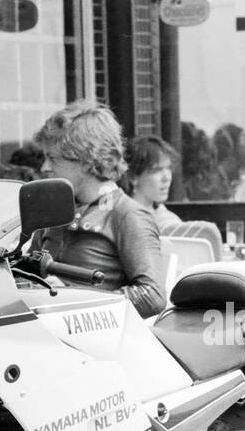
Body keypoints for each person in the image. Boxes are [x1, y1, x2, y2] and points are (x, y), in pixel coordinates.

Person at [34, 101, 165, 317]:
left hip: (96, 343)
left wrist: (76, 300)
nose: (44, 167)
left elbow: (152, 295)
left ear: (87, 161)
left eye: (53, 158)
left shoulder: (127, 214)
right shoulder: (52, 212)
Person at [123, 135, 183, 232]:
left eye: (168, 168)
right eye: (157, 170)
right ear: (133, 176)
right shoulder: (119, 219)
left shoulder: (168, 220)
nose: (167, 178)